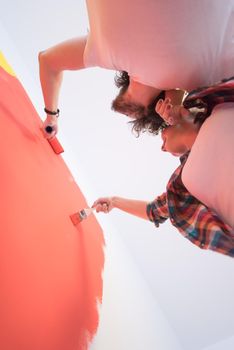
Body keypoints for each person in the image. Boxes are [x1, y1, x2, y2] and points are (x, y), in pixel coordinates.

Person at [38, 0, 234, 139]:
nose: (127, 116)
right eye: (136, 118)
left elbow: (48, 61)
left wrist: (51, 116)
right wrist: (177, 113)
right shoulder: (193, 79)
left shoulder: (101, 51)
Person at [92, 78, 234, 258]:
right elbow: (153, 211)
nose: (162, 148)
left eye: (163, 135)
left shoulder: (219, 106)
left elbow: (175, 75)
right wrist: (114, 201)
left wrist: (179, 107)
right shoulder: (185, 183)